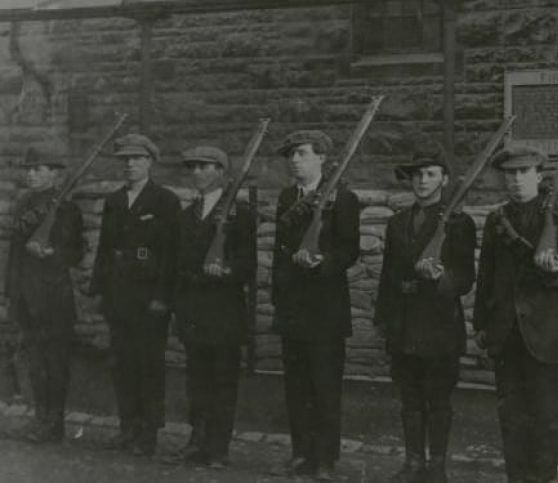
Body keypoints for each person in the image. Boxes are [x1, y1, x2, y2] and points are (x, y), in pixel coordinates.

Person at [473, 146, 558, 483]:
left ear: (540, 176)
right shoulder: (497, 220)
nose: (517, 180)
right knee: (511, 417)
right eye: (510, 174)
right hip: (506, 333)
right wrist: (481, 323)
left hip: (546, 335)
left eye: (524, 173)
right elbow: (486, 276)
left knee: (546, 418)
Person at [374, 141, 477, 483]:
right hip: (403, 321)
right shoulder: (397, 223)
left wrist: (441, 278)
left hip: (439, 322)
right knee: (410, 398)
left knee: (438, 399)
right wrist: (383, 320)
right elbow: (388, 276)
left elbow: (464, 277)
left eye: (431, 174)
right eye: (417, 175)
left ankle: (437, 467)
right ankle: (413, 462)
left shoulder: (459, 223)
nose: (422, 181)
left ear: (444, 180)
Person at [271, 130, 360, 481]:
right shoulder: (286, 197)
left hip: (325, 305)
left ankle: (325, 458)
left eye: (303, 153)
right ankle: (301, 452)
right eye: (291, 154)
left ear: (322, 158)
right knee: (296, 384)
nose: (295, 160)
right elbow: (280, 247)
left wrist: (322, 263)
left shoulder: (343, 198)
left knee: (324, 384)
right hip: (293, 303)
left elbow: (349, 248)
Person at [90, 133, 181, 456]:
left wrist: (162, 296)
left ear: (150, 162)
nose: (130, 164)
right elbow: (104, 248)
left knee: (148, 364)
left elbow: (171, 255)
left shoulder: (165, 201)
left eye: (137, 159)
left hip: (149, 299)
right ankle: (127, 427)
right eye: (125, 159)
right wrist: (99, 290)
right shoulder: (114, 201)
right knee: (123, 363)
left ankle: (148, 433)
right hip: (119, 297)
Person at [173, 146, 256, 468]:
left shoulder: (240, 213)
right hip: (194, 309)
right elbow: (179, 262)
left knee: (222, 381)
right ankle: (197, 440)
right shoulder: (186, 215)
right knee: (197, 380)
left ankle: (218, 448)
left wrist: (226, 270)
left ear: (221, 171)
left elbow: (248, 261)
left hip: (223, 309)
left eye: (205, 167)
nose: (197, 173)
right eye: (193, 167)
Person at [5, 148, 83, 443]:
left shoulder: (67, 208)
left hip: (53, 297)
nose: (32, 173)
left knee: (55, 362)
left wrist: (52, 253)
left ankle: (55, 423)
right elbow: (15, 254)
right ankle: (41, 419)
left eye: (39, 168)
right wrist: (11, 294)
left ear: (55, 174)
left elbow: (75, 253)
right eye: (30, 169)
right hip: (26, 297)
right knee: (35, 362)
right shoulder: (24, 203)